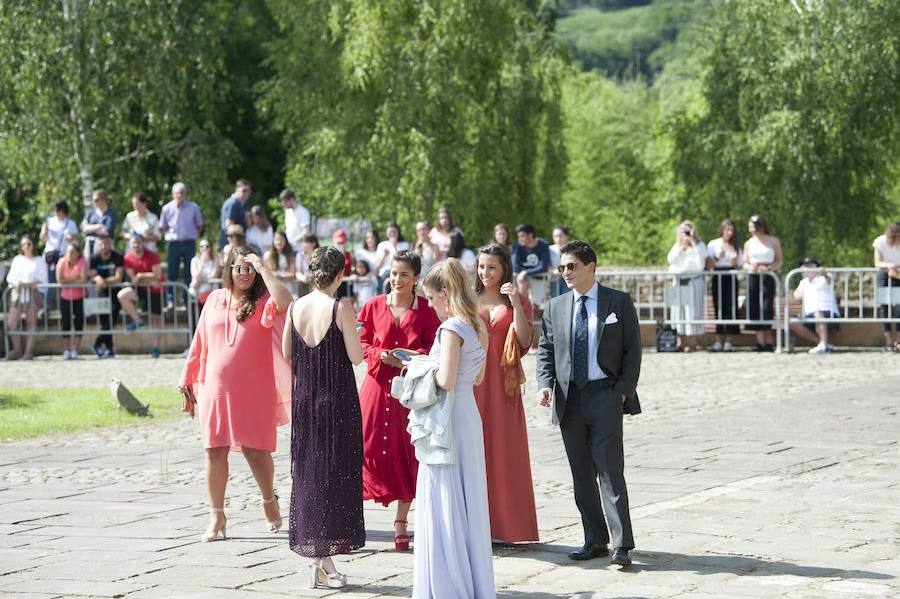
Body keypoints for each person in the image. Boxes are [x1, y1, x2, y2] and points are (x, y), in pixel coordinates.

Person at [536, 240, 641, 567]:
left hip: (605, 395)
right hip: (570, 400)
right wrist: (544, 384)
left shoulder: (618, 302)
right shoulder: (555, 307)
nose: (565, 272)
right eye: (562, 267)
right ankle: (594, 540)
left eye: (572, 266)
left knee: (610, 471)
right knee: (581, 474)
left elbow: (632, 350)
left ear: (590, 267)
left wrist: (622, 391)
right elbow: (545, 350)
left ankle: (621, 544)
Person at [181, 246, 293, 545]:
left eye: (249, 269)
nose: (244, 274)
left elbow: (286, 301)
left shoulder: (264, 300)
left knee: (255, 452)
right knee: (213, 450)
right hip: (215, 389)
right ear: (228, 269)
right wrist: (187, 379)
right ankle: (217, 516)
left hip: (255, 388)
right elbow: (199, 342)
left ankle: (269, 499)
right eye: (239, 268)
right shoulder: (215, 299)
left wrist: (263, 266)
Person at [281, 246, 365, 589]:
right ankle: (324, 560)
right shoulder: (340, 307)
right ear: (340, 275)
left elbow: (288, 351)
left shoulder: (295, 307)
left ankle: (318, 558)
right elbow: (356, 356)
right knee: (332, 478)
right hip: (336, 401)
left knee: (310, 475)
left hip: (305, 400)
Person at [415, 258, 494, 597]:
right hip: (468, 415)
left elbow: (445, 380)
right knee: (469, 499)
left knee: (444, 496)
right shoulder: (477, 325)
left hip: (447, 418)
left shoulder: (450, 329)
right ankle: (471, 579)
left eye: (431, 298)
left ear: (445, 292)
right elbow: (477, 377)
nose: (430, 305)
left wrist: (418, 366)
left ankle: (448, 585)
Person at [356, 250, 441, 551]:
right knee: (365, 449)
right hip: (376, 389)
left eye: (404, 274)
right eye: (394, 273)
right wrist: (380, 355)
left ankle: (401, 522)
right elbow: (360, 341)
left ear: (416, 277)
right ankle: (353, 518)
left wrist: (415, 357)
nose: (397, 279)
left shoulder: (428, 313)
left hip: (408, 392)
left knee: (407, 452)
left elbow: (435, 349)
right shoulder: (372, 306)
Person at [472, 244, 539, 543]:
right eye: (482, 266)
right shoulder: (467, 299)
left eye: (492, 267)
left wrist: (513, 303)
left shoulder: (517, 302)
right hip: (470, 385)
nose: (485, 273)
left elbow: (525, 340)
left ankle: (507, 527)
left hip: (502, 385)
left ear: (504, 270)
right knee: (473, 453)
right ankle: (474, 525)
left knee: (503, 452)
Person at [117, 235, 165, 358]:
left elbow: (158, 276)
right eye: (134, 243)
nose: (136, 245)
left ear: (143, 244)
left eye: (138, 242)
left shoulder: (152, 255)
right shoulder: (127, 257)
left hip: (156, 290)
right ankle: (138, 320)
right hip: (141, 289)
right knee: (122, 295)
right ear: (130, 244)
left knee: (157, 319)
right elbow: (134, 280)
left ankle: (156, 347)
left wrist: (141, 276)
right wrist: (146, 278)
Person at [666, 220, 709, 352]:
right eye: (684, 230)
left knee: (693, 312)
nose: (686, 233)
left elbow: (702, 258)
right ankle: (680, 341)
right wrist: (682, 246)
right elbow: (670, 259)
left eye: (689, 230)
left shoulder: (700, 245)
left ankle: (693, 342)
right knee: (678, 312)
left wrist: (692, 242)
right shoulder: (677, 246)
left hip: (694, 280)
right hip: (678, 281)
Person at [159, 182, 204, 303]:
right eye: (177, 193)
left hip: (189, 243)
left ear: (185, 194)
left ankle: (187, 298)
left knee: (189, 272)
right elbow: (163, 227)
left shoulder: (194, 207)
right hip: (174, 244)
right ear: (173, 194)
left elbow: (200, 225)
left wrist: (190, 233)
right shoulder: (166, 208)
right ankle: (170, 300)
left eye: (182, 193)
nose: (179, 195)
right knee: (171, 272)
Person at [743, 215, 782, 352]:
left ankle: (768, 340)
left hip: (768, 275)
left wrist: (769, 268)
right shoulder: (749, 243)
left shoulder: (773, 241)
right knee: (753, 305)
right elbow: (745, 262)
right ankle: (760, 341)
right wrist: (751, 267)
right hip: (754, 275)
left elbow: (779, 260)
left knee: (766, 306)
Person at [5, 236, 48, 361]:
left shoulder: (39, 260)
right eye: (24, 244)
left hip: (33, 293)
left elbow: (43, 280)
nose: (27, 247)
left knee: (31, 322)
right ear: (21, 247)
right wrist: (18, 284)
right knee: (12, 323)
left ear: (33, 245)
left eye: (29, 244)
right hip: (18, 293)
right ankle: (17, 349)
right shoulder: (17, 260)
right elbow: (10, 277)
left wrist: (29, 284)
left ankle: (29, 351)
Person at [790, 258, 840, 354]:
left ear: (816, 267)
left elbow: (829, 279)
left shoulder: (823, 278)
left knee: (818, 313)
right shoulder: (803, 282)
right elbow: (796, 296)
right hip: (809, 315)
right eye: (804, 266)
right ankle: (823, 344)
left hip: (828, 313)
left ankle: (823, 344)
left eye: (809, 266)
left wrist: (823, 273)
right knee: (793, 323)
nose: (806, 268)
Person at [706, 219, 742, 351]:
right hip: (718, 276)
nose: (729, 232)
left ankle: (729, 341)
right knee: (719, 307)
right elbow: (708, 264)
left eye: (732, 230)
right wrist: (717, 258)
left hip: (731, 276)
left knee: (731, 308)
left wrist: (734, 261)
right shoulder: (713, 244)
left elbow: (739, 265)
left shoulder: (736, 246)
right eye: (727, 229)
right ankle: (718, 340)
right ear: (722, 230)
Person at [88, 236, 124, 358]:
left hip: (115, 293)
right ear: (98, 246)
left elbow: (118, 277)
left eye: (107, 244)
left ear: (110, 245)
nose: (104, 247)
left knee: (111, 320)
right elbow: (92, 276)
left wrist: (102, 281)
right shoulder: (94, 258)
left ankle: (97, 343)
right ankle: (109, 349)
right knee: (104, 321)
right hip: (101, 293)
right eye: (102, 244)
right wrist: (97, 279)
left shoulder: (117, 256)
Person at [56, 240, 88, 359]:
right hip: (65, 297)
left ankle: (76, 349)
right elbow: (60, 280)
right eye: (68, 252)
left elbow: (83, 280)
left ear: (78, 253)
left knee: (79, 323)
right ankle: (66, 350)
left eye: (72, 252)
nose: (69, 254)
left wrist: (68, 281)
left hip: (79, 297)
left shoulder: (82, 262)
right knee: (66, 323)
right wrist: (76, 280)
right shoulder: (61, 262)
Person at [873, 222, 900, 352]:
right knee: (885, 308)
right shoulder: (879, 241)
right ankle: (888, 341)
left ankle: (899, 341)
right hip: (884, 274)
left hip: (899, 274)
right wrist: (890, 266)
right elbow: (877, 262)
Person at [39, 200, 78, 289]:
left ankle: (62, 301)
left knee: (63, 280)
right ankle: (50, 302)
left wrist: (71, 239)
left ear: (63, 210)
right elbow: (42, 237)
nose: (56, 212)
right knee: (51, 282)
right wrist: (45, 231)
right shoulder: (49, 221)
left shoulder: (71, 223)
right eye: (54, 210)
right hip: (51, 255)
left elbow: (76, 242)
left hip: (65, 255)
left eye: (57, 210)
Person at [512, 224, 551, 310]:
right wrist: (524, 274)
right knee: (521, 280)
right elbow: (515, 266)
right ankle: (524, 307)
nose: (520, 239)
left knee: (536, 306)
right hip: (522, 278)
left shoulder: (543, 245)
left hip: (538, 277)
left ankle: (532, 314)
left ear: (530, 235)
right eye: (518, 236)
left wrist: (526, 272)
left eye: (522, 236)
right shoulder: (518, 246)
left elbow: (543, 266)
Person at [189, 240, 220, 329]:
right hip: (196, 295)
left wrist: (200, 280)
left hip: (210, 295)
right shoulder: (195, 260)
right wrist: (202, 263)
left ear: (211, 248)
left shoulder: (215, 260)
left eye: (207, 246)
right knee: (196, 322)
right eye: (202, 246)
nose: (204, 249)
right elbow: (196, 275)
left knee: (209, 323)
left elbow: (213, 276)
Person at [80, 188, 118, 262]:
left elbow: (107, 231)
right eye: (93, 200)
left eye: (96, 200)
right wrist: (98, 226)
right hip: (90, 245)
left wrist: (90, 229)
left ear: (103, 200)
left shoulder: (111, 214)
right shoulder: (90, 213)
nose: (94, 203)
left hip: (105, 245)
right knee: (89, 266)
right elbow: (83, 228)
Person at [376, 222, 410, 289]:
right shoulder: (382, 245)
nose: (392, 233)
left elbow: (408, 261)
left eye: (394, 231)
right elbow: (378, 266)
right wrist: (384, 255)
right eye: (390, 232)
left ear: (398, 232)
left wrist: (394, 246)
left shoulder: (405, 244)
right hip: (386, 273)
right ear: (386, 233)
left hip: (401, 272)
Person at [264, 231, 298, 297]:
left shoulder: (290, 256)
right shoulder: (268, 255)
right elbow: (266, 271)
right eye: (277, 240)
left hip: (288, 288)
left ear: (285, 241)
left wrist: (281, 276)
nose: (279, 242)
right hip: (273, 288)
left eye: (281, 240)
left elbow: (293, 273)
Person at [219, 179, 251, 249]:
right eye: (244, 190)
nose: (247, 193)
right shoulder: (233, 203)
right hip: (231, 242)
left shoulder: (243, 204)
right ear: (236, 189)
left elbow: (248, 224)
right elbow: (229, 224)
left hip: (238, 241)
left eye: (248, 191)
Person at [331, 229, 354, 307]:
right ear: (333, 241)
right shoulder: (329, 255)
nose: (340, 245)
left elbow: (354, 269)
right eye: (338, 243)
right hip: (333, 286)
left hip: (346, 286)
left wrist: (354, 274)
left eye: (342, 242)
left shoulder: (349, 255)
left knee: (345, 307)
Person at [549, 225, 569, 297]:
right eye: (555, 236)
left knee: (568, 300)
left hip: (569, 279)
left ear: (566, 236)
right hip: (554, 279)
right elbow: (547, 264)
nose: (558, 238)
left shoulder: (573, 249)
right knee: (556, 299)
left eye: (560, 236)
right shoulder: (550, 249)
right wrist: (552, 271)